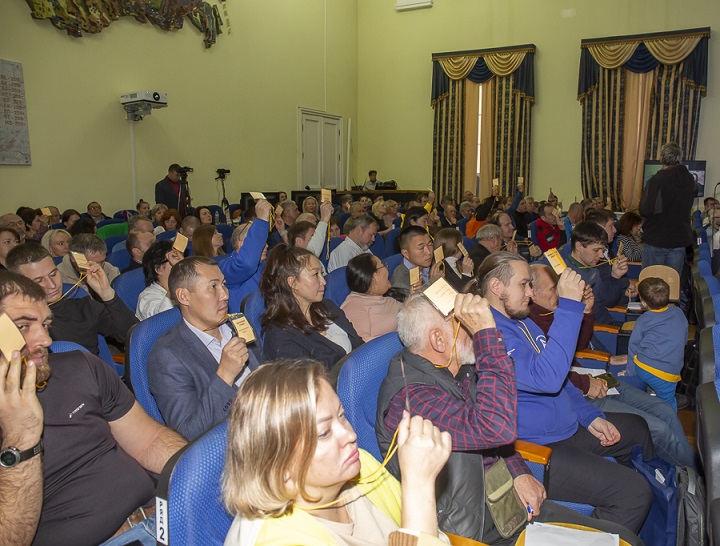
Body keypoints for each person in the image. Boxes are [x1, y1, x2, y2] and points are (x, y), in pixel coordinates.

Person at [377, 291, 641, 545]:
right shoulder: (414, 400)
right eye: (465, 324)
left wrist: (519, 472)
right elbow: (494, 429)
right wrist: (486, 336)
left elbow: (490, 435)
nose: (473, 330)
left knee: (625, 538)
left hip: (505, 503)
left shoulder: (454, 371)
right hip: (480, 530)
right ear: (438, 340)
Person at [0, 271, 186, 546]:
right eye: (23, 326)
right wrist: (21, 438)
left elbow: (149, 441)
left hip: (159, 516)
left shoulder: (79, 366)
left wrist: (204, 473)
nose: (45, 339)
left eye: (45, 324)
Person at [479, 252, 653, 533]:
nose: (530, 293)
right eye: (523, 285)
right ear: (496, 286)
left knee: (637, 429)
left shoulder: (521, 319)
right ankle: (604, 529)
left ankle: (629, 522)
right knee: (634, 493)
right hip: (536, 448)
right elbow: (546, 379)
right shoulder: (489, 334)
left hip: (566, 427)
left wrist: (589, 416)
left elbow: (561, 378)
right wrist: (569, 306)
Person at [222, 360, 452, 546]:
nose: (349, 435)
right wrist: (418, 486)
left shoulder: (360, 466)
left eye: (341, 416)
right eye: (324, 433)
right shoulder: (277, 540)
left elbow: (429, 532)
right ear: (278, 465)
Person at [529, 264, 696, 468]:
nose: (558, 292)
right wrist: (584, 383)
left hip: (589, 377)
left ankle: (695, 472)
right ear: (532, 293)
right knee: (659, 429)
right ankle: (696, 476)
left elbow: (579, 345)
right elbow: (544, 374)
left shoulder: (553, 310)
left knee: (665, 410)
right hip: (578, 393)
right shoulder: (527, 324)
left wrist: (587, 312)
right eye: (552, 288)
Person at [148, 257, 263, 440]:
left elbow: (266, 373)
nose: (225, 294)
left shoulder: (238, 324)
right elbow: (188, 433)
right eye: (213, 287)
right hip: (236, 441)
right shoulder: (167, 356)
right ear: (184, 297)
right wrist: (224, 375)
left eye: (223, 284)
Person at [7, 244, 138, 357]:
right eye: (39, 281)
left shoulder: (83, 307)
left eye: (53, 274)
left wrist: (107, 294)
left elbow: (133, 335)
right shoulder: (16, 325)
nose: (52, 285)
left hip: (92, 376)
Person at [261, 245, 362, 370]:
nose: (323, 281)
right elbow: (309, 381)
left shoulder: (327, 306)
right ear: (293, 283)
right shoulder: (281, 336)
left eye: (321, 273)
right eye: (315, 274)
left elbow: (359, 344)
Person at [627, 278, 688, 413]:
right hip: (670, 371)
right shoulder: (679, 312)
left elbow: (633, 347)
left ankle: (654, 399)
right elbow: (684, 340)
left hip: (646, 368)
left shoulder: (643, 320)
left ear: (644, 303)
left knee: (666, 406)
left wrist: (630, 372)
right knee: (668, 400)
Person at [639, 142, 696, 275]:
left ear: (661, 158)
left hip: (656, 237)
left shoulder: (657, 180)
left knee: (652, 281)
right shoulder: (689, 180)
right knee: (672, 281)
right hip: (679, 238)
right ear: (679, 158)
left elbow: (645, 209)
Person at [565, 222, 636, 326]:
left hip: (609, 322)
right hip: (600, 329)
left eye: (602, 250)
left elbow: (609, 301)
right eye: (596, 250)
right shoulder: (569, 278)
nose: (601, 255)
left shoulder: (592, 268)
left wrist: (615, 276)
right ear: (579, 246)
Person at [220, 199, 271, 313]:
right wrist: (261, 221)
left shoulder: (265, 265)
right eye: (259, 242)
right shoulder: (225, 266)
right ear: (241, 244)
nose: (266, 245)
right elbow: (246, 264)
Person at [341, 254, 404, 342]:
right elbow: (362, 343)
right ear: (373, 277)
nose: (387, 270)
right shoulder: (354, 306)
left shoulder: (384, 296)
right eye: (383, 265)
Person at [136, 240, 184, 320]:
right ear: (159, 269)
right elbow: (163, 320)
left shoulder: (187, 285)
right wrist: (178, 273)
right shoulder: (146, 297)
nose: (181, 263)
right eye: (174, 258)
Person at [390, 226, 441, 297]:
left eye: (430, 244)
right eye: (421, 248)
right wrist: (434, 285)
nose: (428, 252)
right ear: (406, 253)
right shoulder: (401, 284)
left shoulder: (433, 263)